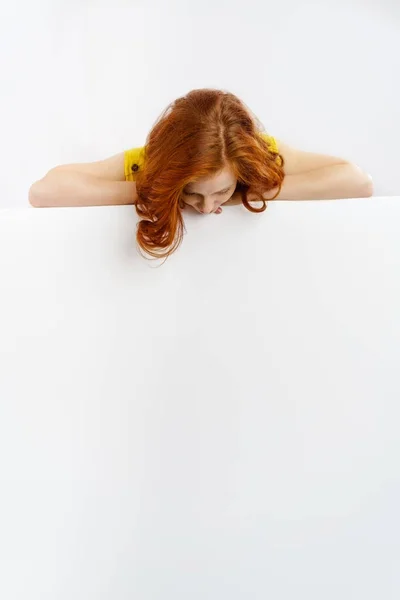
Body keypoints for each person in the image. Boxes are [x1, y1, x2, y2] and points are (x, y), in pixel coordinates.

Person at [29, 88, 373, 260]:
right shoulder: (148, 163)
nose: (207, 209)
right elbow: (44, 192)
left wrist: (251, 192)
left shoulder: (258, 154)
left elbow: (357, 181)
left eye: (220, 192)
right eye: (192, 194)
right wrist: (157, 191)